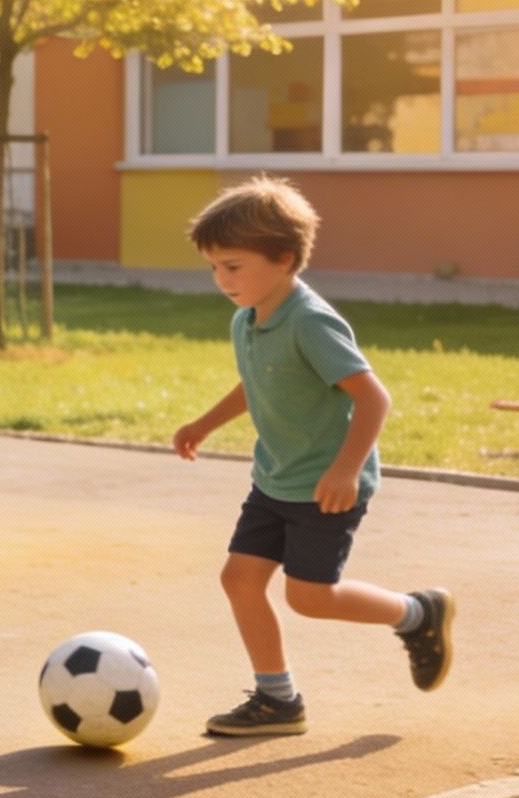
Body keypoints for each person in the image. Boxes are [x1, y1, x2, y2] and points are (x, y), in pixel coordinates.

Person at [172, 176, 453, 737]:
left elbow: (373, 397)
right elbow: (258, 382)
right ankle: (278, 700)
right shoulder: (247, 318)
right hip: (275, 479)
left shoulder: (309, 321)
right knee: (240, 580)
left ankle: (417, 613)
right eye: (214, 268)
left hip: (326, 487)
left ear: (283, 259)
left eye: (233, 266)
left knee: (310, 597)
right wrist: (203, 424)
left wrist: (346, 469)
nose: (222, 279)